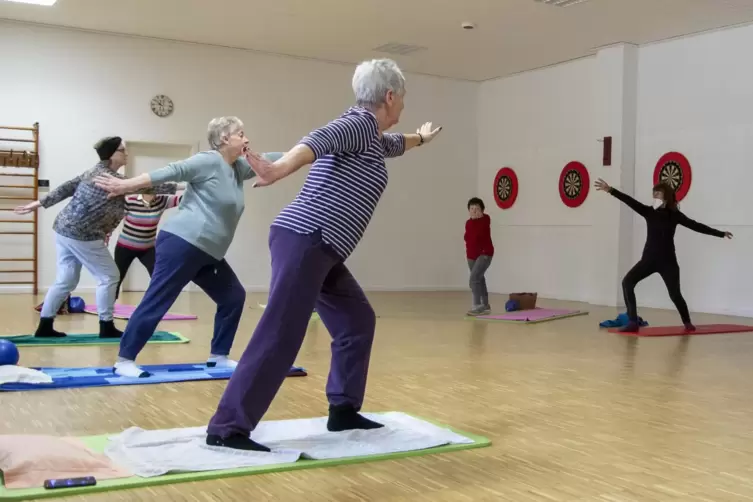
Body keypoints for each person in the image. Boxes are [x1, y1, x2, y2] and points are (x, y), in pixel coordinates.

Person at [204, 58, 443, 452]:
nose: (403, 106)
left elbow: (394, 145)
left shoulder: (371, 137)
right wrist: (278, 169)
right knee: (281, 332)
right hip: (307, 239)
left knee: (356, 320)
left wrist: (421, 137)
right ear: (389, 96)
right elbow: (320, 139)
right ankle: (228, 427)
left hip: (321, 247)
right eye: (402, 99)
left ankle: (344, 410)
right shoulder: (357, 123)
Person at [93, 117, 284, 378]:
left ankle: (218, 357)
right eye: (241, 134)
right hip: (182, 243)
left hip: (209, 252)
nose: (246, 138)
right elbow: (173, 170)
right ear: (225, 139)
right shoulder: (208, 161)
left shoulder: (237, 167)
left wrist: (311, 150)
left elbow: (275, 159)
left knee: (233, 297)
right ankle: (124, 360)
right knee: (159, 299)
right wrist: (128, 185)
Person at [14, 137, 176, 338]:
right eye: (122, 150)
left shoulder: (94, 172)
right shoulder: (110, 178)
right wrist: (188, 186)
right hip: (83, 235)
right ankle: (106, 325)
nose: (126, 153)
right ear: (111, 155)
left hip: (65, 230)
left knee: (66, 280)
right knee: (109, 276)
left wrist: (39, 203)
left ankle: (45, 326)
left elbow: (68, 186)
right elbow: (150, 188)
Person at [594, 178, 732, 333]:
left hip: (668, 262)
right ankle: (633, 321)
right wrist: (610, 190)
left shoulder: (675, 216)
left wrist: (720, 234)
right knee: (627, 282)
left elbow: (696, 226)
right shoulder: (648, 212)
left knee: (675, 294)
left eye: (658, 194)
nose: (655, 197)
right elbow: (630, 201)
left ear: (666, 196)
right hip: (649, 260)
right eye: (653, 194)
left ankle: (687, 323)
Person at [112, 190, 183, 300]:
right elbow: (114, 218)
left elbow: (182, 199)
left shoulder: (162, 201)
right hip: (124, 247)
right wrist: (106, 234)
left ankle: (155, 303)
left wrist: (195, 184)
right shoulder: (130, 200)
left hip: (147, 249)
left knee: (158, 275)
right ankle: (108, 305)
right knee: (117, 277)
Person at [464, 197, 494, 316]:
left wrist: (481, 216)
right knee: (479, 279)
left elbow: (481, 233)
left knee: (474, 279)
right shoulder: (468, 223)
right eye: (471, 208)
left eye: (477, 209)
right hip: (471, 256)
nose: (474, 211)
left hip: (485, 254)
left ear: (482, 210)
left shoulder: (485, 220)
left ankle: (477, 305)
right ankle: (485, 305)